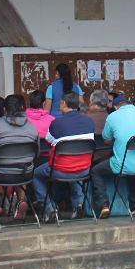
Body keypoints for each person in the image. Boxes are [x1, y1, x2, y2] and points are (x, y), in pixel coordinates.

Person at [0, 94, 39, 224]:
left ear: (5, 109)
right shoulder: (32, 126)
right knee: (20, 165)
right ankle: (21, 201)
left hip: (0, 174)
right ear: (24, 108)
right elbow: (36, 153)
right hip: (25, 174)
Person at [33, 92, 95, 222]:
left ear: (64, 104)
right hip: (84, 169)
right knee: (75, 168)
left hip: (60, 169)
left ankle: (49, 208)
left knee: (35, 174)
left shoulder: (57, 123)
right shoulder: (89, 121)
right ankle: (79, 203)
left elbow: (49, 140)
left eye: (60, 103)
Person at [91, 95, 135, 218]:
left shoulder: (112, 117)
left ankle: (103, 205)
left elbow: (106, 139)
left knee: (96, 171)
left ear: (115, 106)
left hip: (123, 164)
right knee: (132, 166)